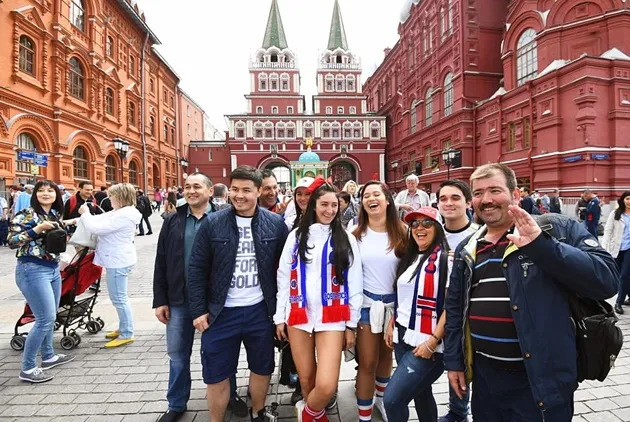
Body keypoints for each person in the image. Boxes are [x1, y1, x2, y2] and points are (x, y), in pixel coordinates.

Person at [444, 163, 619, 421]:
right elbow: (456, 309)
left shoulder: (556, 229)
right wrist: (454, 362)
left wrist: (542, 246)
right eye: (479, 193)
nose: (487, 199)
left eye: (495, 190)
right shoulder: (467, 248)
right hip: (486, 380)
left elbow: (607, 279)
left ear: (516, 195)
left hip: (540, 380)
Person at [188, 165, 289, 422]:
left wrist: (282, 313)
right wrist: (198, 310)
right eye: (234, 189)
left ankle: (258, 412)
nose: (239, 195)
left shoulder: (275, 225)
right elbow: (197, 268)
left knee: (262, 366)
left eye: (246, 190)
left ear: (259, 191)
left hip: (260, 311)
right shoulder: (212, 223)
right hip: (221, 313)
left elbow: (286, 272)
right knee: (217, 373)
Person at [153, 173, 247, 422]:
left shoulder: (223, 218)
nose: (191, 191)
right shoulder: (172, 220)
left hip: (216, 299)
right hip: (179, 299)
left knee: (224, 352)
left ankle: (231, 395)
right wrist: (160, 299)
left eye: (197, 186)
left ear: (209, 191)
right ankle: (176, 403)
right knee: (178, 355)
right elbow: (161, 261)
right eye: (187, 187)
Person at [275, 180, 363, 422]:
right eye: (324, 204)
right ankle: (317, 417)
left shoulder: (346, 238)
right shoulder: (296, 236)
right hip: (298, 316)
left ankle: (307, 413)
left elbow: (355, 284)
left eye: (334, 205)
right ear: (313, 206)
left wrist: (351, 324)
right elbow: (283, 278)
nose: (329, 210)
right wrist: (279, 317)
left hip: (332, 318)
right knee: (306, 379)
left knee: (326, 384)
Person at [381, 206, 450, 422]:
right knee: (421, 392)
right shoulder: (410, 258)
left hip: (430, 342)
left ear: (437, 228)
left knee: (392, 400)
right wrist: (392, 323)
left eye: (427, 223)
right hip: (403, 335)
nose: (420, 228)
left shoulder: (447, 260)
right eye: (415, 224)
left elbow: (452, 308)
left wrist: (433, 341)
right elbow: (403, 298)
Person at [8, 180, 77, 383]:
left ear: (57, 195)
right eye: (41, 190)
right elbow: (12, 241)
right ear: (35, 194)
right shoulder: (27, 214)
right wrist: (37, 229)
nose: (46, 193)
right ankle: (27, 368)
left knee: (51, 316)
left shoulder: (54, 215)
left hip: (52, 269)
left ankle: (49, 356)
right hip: (32, 270)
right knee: (44, 319)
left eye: (50, 191)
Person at [352, 181, 407, 422]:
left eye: (376, 194)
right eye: (366, 196)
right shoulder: (354, 233)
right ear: (362, 203)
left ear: (387, 200)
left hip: (394, 307)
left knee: (387, 358)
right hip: (366, 306)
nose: (371, 199)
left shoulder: (403, 231)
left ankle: (382, 402)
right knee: (367, 362)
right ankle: (364, 416)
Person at [436, 180, 479, 422]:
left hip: (465, 313)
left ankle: (459, 412)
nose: (449, 203)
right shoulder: (432, 232)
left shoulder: (477, 236)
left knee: (463, 361)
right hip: (431, 311)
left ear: (468, 203)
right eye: (444, 199)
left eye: (455, 198)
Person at [79, 184, 142, 348]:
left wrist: (85, 214)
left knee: (119, 298)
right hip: (117, 259)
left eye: (112, 196)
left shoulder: (124, 215)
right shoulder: (121, 212)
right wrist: (79, 218)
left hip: (117, 260)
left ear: (120, 197)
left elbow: (96, 227)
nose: (109, 199)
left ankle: (127, 333)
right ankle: (123, 328)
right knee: (119, 298)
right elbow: (102, 218)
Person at [602, 191, 630, 315]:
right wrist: (603, 248)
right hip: (616, 249)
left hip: (629, 249)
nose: (629, 201)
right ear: (623, 200)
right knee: (620, 275)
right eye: (628, 199)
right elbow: (608, 231)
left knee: (624, 275)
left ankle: (618, 302)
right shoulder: (615, 214)